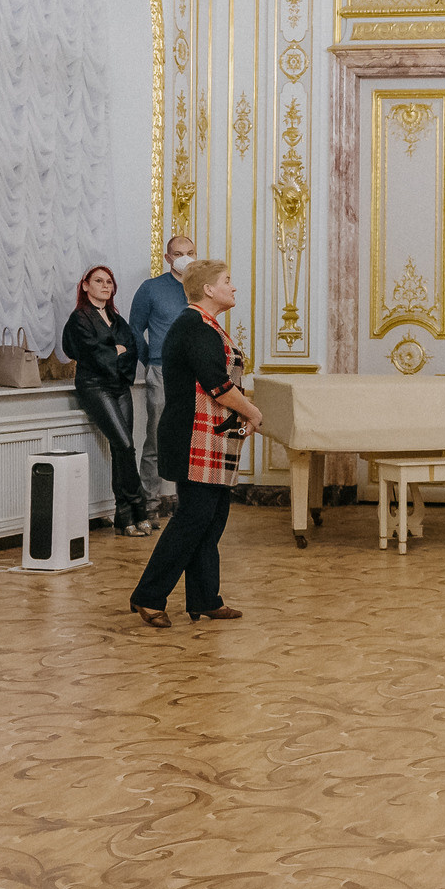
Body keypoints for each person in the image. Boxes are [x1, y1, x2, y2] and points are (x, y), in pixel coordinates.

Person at [128, 258, 259, 627]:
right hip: (192, 439)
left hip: (209, 438)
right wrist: (252, 412)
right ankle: (148, 596)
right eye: (227, 281)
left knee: (211, 519)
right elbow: (218, 386)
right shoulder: (195, 326)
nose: (233, 287)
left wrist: (243, 412)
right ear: (208, 289)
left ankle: (204, 598)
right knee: (193, 518)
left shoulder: (205, 326)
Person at [61, 265, 151, 537]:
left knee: (123, 447)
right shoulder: (79, 319)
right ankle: (137, 508)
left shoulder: (117, 318)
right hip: (94, 387)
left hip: (120, 386)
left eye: (109, 282)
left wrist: (114, 353)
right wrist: (115, 351)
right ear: (85, 285)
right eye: (98, 281)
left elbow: (131, 349)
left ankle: (124, 516)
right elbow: (90, 355)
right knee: (124, 444)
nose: (105, 286)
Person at [128, 235, 194, 499]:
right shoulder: (151, 288)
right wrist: (151, 360)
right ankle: (150, 500)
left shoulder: (201, 289)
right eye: (178, 254)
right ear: (168, 258)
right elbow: (134, 329)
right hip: (162, 371)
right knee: (156, 437)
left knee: (191, 439)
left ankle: (187, 499)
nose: (185, 258)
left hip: (194, 374)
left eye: (190, 252)